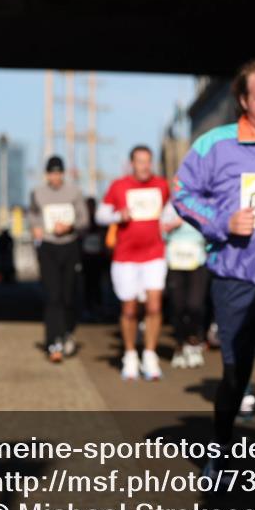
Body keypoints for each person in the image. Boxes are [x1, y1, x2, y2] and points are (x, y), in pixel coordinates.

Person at [173, 58, 255, 510]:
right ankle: (220, 447)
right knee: (234, 376)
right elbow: (182, 193)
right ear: (245, 101)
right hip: (234, 277)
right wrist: (219, 222)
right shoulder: (215, 144)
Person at [96, 145, 169, 380]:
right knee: (128, 309)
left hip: (154, 254)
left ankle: (149, 354)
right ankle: (130, 354)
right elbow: (100, 215)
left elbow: (173, 210)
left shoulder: (161, 185)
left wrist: (171, 221)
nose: (144, 166)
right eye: (140, 161)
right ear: (132, 164)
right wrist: (119, 216)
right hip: (125, 257)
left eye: (148, 161)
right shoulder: (119, 185)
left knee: (154, 306)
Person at [28, 155, 89, 363]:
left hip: (69, 246)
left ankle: (67, 332)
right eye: (52, 173)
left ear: (63, 174)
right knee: (52, 296)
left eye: (58, 173)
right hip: (48, 247)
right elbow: (33, 215)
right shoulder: (38, 193)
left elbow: (84, 220)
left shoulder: (75, 192)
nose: (55, 177)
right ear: (47, 175)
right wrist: (35, 228)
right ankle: (53, 341)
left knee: (68, 294)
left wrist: (69, 227)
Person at [161, 204, 209, 368]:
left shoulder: (203, 204)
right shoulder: (170, 207)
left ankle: (194, 342)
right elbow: (160, 232)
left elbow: (212, 230)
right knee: (177, 306)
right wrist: (172, 225)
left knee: (195, 304)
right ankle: (179, 345)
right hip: (175, 261)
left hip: (197, 260)